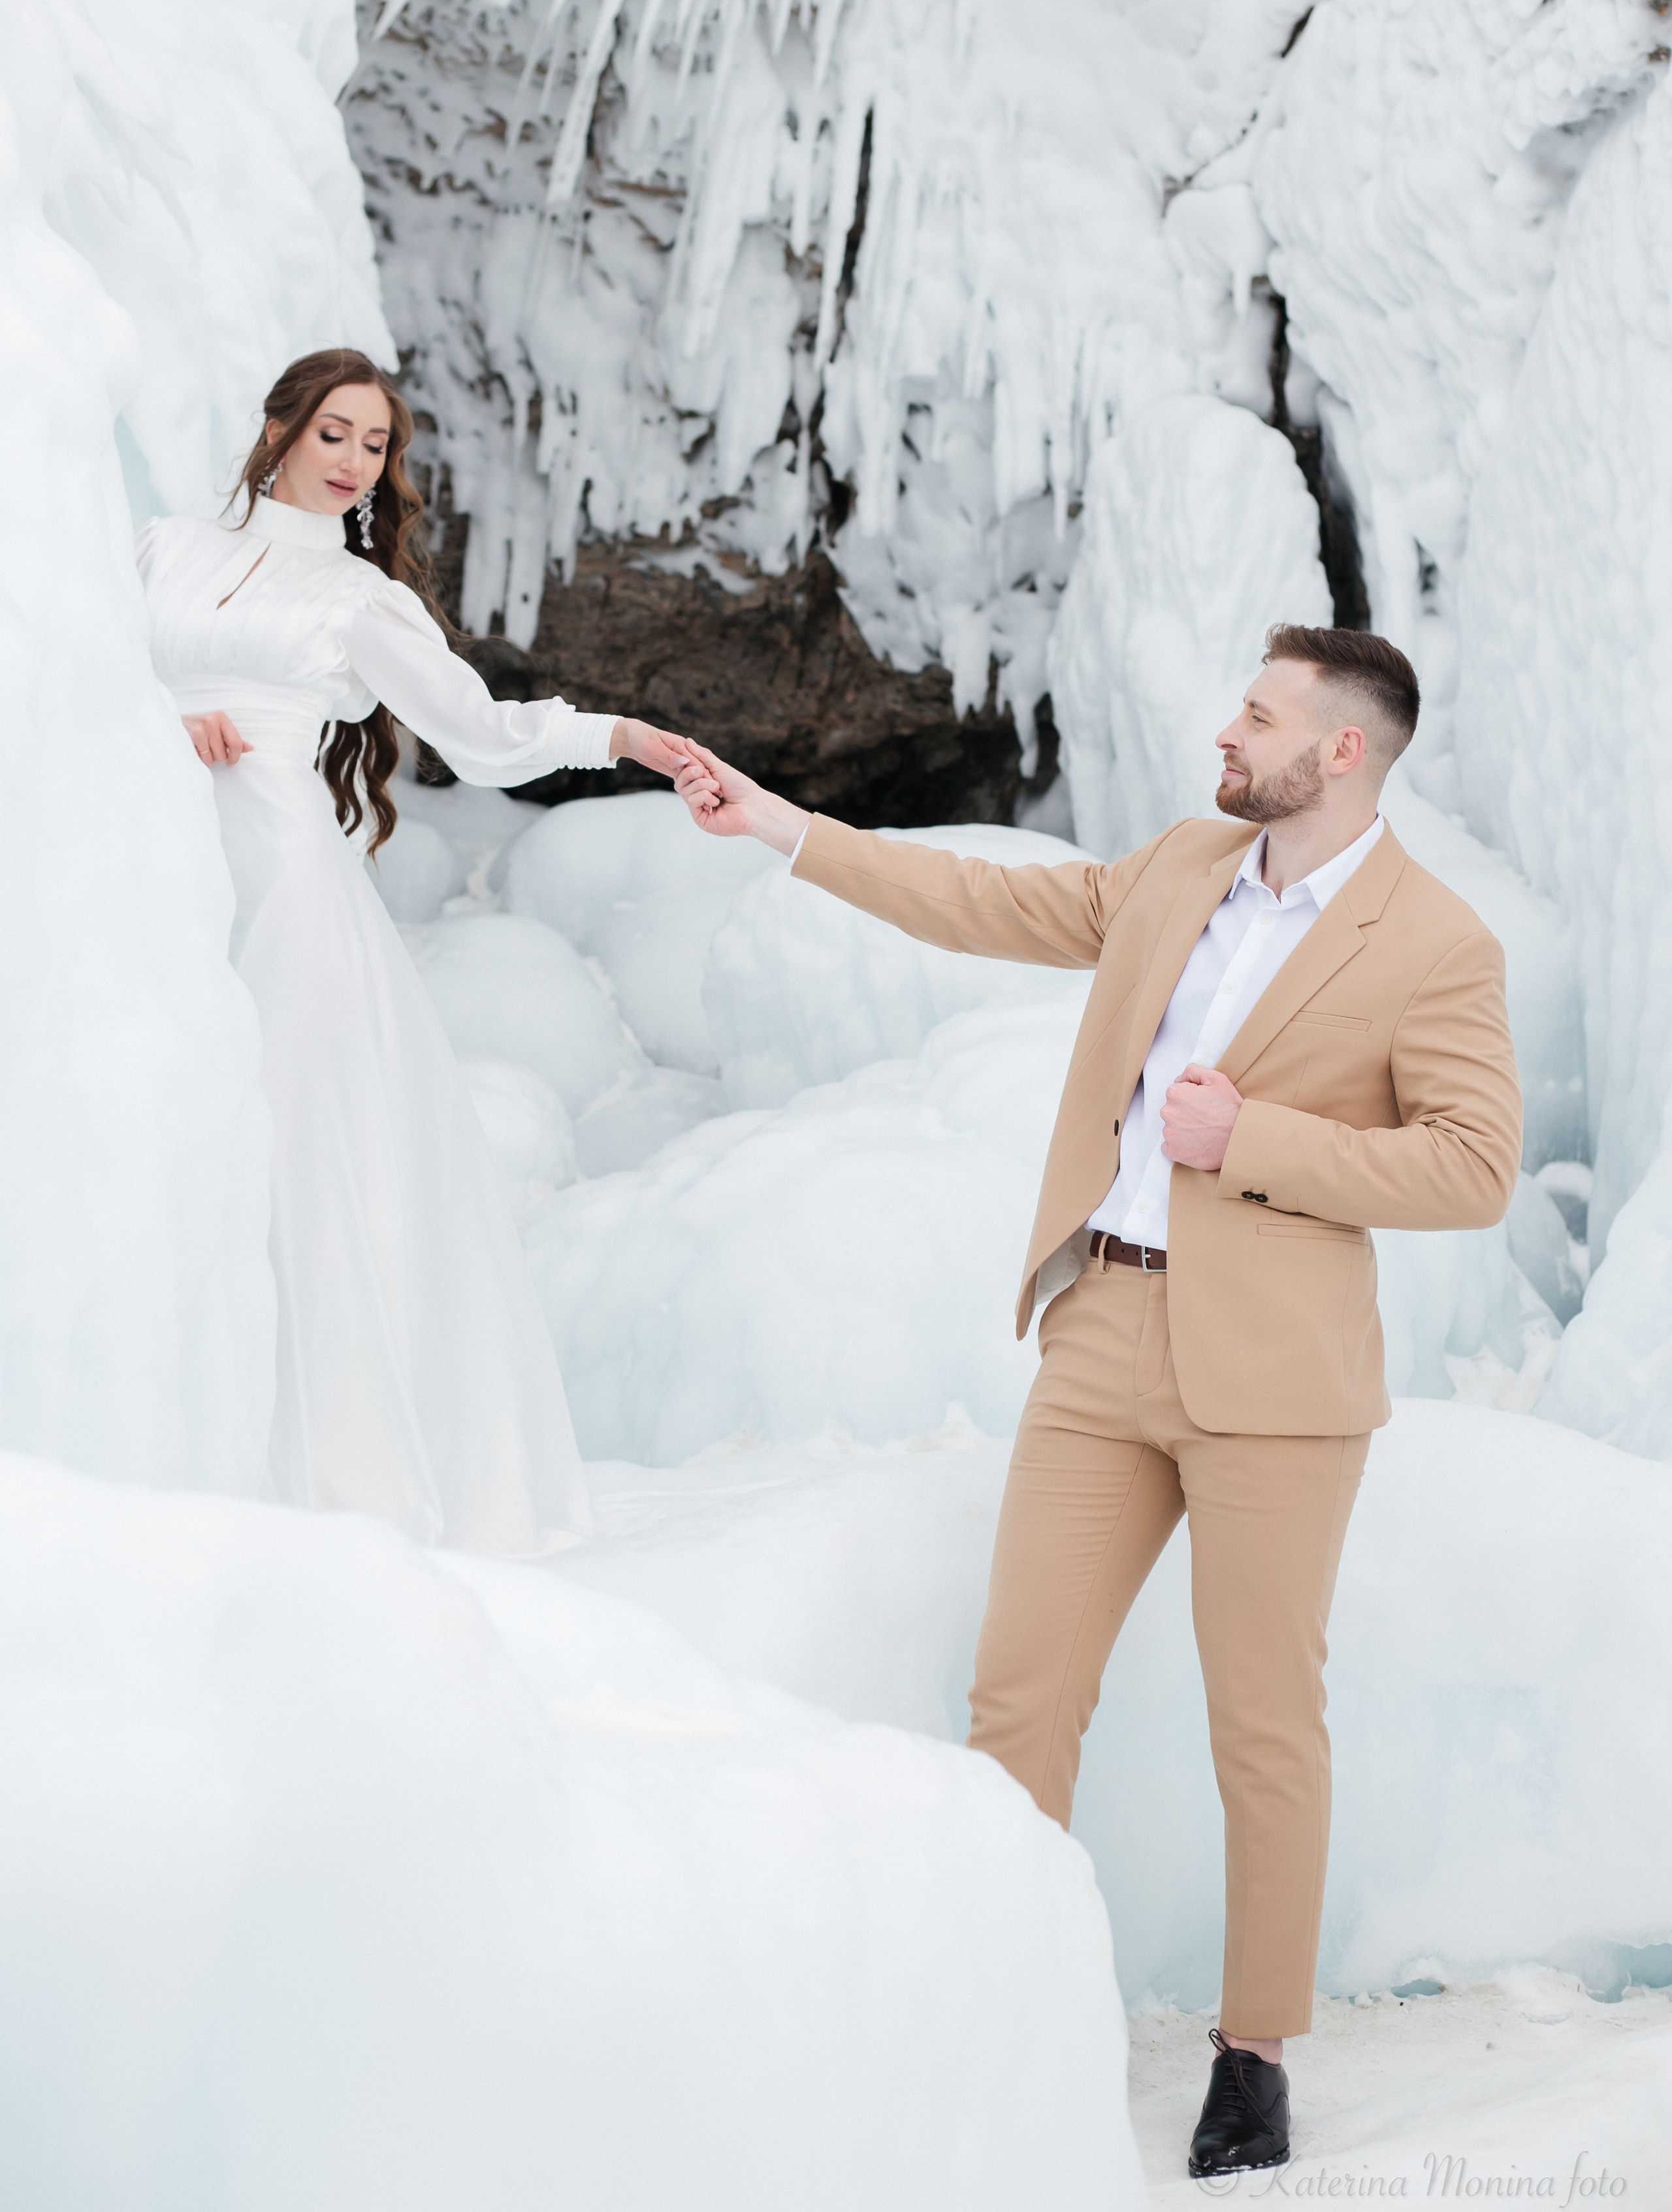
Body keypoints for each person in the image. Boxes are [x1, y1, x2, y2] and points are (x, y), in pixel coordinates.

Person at [671, 626, 1521, 2179]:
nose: (1225, 733)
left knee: (1262, 1725)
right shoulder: (1183, 863)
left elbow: (1471, 1168)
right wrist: (780, 826)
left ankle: (1252, 2051)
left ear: (1338, 752)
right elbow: (987, 903)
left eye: (1255, 716)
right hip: (1101, 1330)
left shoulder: (1436, 943)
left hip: (1274, 1383)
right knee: (1020, 1694)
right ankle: (1000, 2009)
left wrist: (1249, 1136)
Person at [138, 347, 691, 1555]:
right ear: (280, 428)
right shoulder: (165, 548)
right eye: (334, 433)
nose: (352, 464)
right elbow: (70, 675)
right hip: (163, 874)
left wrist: (621, 735)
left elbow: (482, 737)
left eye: (375, 446)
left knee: (297, 1167)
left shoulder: (360, 603)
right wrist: (159, 722)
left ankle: (324, 1473)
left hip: (284, 889)